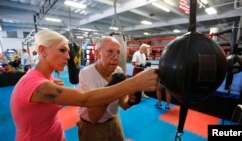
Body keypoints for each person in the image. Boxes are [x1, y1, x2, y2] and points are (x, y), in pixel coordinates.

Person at [10, 29, 157, 141]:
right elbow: (85, 100)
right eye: (62, 50)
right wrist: (134, 83)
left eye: (68, 51)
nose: (68, 56)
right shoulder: (35, 85)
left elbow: (123, 104)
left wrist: (132, 100)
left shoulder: (49, 80)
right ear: (42, 50)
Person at [78, 36, 135, 141]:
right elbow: (94, 117)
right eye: (110, 51)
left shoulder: (118, 70)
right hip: (92, 126)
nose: (116, 57)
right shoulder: (86, 74)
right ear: (97, 54)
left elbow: (123, 104)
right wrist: (110, 87)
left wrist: (131, 101)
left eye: (118, 52)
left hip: (114, 120)